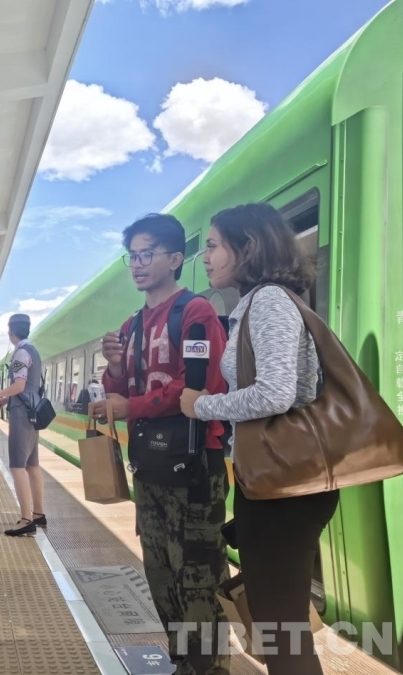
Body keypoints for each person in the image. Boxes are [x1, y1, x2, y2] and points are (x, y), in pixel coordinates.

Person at [181, 203, 338, 675]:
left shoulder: (268, 301)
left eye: (213, 246)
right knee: (276, 625)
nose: (206, 258)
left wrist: (202, 406)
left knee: (281, 630)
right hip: (274, 482)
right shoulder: (256, 303)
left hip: (286, 486)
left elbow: (276, 392)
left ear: (247, 248)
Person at [99, 213, 230, 674]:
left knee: (197, 576)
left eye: (147, 254)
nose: (137, 264)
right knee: (160, 573)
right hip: (150, 465)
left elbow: (200, 386)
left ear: (175, 259)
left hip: (194, 466)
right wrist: (115, 370)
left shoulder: (195, 313)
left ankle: (209, 667)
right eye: (132, 256)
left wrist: (132, 405)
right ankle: (183, 662)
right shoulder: (132, 325)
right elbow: (121, 389)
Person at [0, 315, 45, 537]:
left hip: (21, 416)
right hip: (33, 414)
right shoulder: (34, 351)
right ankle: (38, 514)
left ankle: (26, 519)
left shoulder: (20, 353)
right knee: (32, 465)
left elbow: (18, 386)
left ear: (11, 333)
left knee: (17, 466)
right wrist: (5, 399)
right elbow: (27, 388)